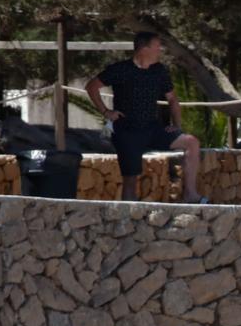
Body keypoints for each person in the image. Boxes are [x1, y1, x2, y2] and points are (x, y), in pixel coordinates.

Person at [86, 30, 205, 203]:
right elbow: (91, 86)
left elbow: (172, 99)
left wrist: (177, 125)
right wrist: (106, 112)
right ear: (144, 48)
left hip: (152, 128)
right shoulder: (120, 69)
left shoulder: (159, 71)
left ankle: (190, 194)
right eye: (157, 46)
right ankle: (128, 219)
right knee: (130, 180)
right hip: (127, 131)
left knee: (191, 142)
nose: (160, 50)